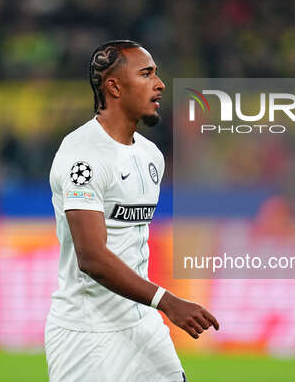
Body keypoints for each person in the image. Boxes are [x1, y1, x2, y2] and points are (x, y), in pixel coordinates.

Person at [45, 40, 219, 381]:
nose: (160, 84)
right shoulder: (83, 157)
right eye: (146, 74)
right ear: (114, 87)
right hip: (86, 335)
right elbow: (92, 258)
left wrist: (155, 307)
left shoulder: (150, 156)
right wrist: (167, 301)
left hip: (142, 325)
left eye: (156, 73)